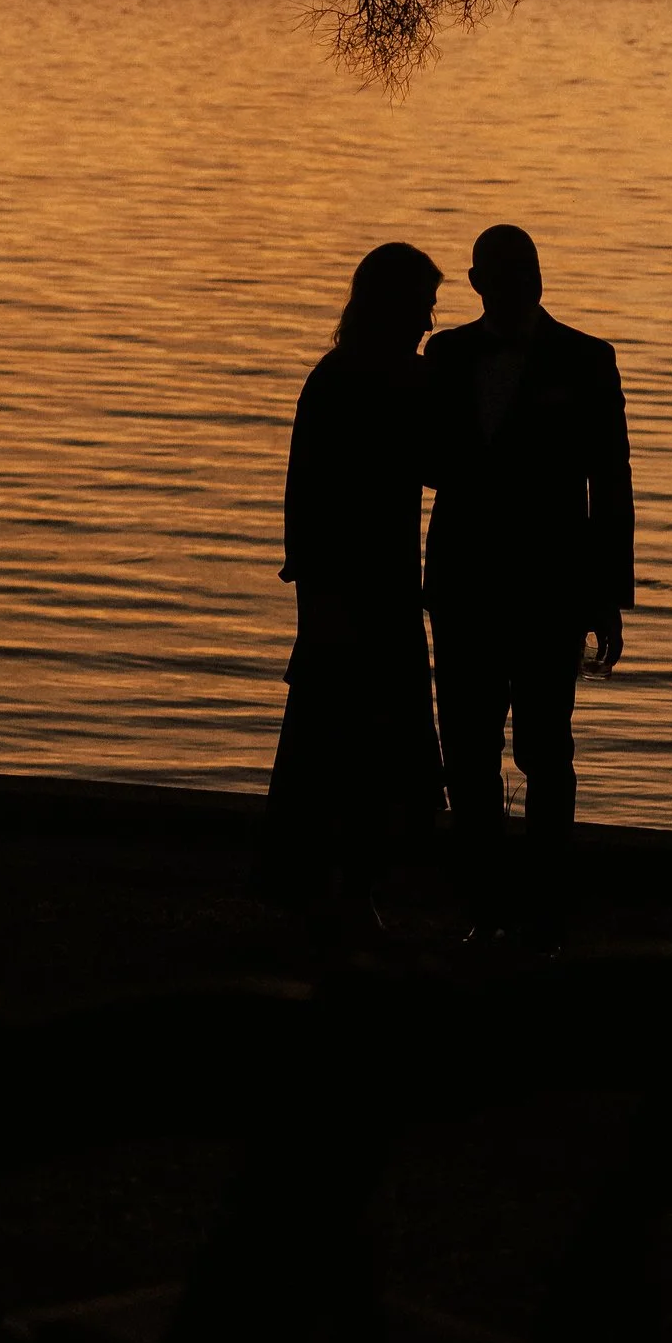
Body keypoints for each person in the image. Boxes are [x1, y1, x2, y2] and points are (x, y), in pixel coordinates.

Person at [418, 225, 635, 945]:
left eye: (529, 269)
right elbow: (423, 459)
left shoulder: (586, 360)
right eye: (507, 272)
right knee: (469, 753)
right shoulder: (444, 356)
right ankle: (483, 905)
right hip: (462, 587)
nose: (521, 282)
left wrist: (606, 595)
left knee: (547, 749)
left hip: (549, 590)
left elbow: (611, 484)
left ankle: (545, 905)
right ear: (479, 283)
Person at [264, 242, 446, 932]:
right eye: (424, 307)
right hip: (354, 587)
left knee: (349, 738)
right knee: (350, 738)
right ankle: (335, 883)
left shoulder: (358, 376)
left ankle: (337, 883)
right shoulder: (355, 381)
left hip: (374, 584)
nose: (429, 323)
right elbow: (311, 495)